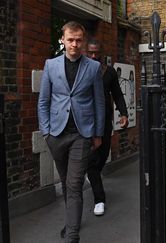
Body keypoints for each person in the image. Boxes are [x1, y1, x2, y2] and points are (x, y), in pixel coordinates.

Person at [37, 21, 105, 243]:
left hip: (81, 135)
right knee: (67, 181)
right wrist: (46, 132)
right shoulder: (51, 65)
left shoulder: (93, 68)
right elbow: (43, 101)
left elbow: (99, 103)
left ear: (82, 41)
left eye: (78, 40)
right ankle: (70, 223)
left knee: (74, 183)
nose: (74, 44)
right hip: (56, 135)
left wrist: (97, 134)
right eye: (70, 40)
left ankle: (72, 236)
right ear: (63, 40)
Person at [86, 39, 129, 216]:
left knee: (102, 156)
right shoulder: (82, 70)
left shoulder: (109, 72)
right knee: (91, 163)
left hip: (104, 123)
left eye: (97, 53)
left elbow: (117, 94)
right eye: (91, 53)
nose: (94, 56)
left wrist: (124, 113)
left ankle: (93, 176)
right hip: (85, 124)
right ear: (86, 52)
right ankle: (99, 199)